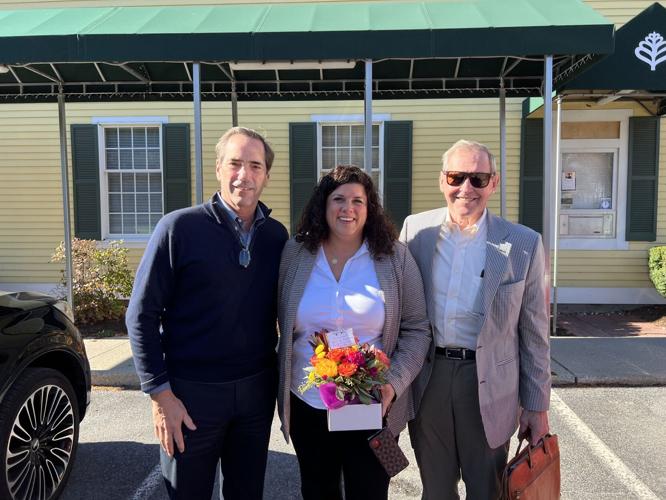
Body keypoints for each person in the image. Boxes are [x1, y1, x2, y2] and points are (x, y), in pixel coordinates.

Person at [125, 127, 288, 500]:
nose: (244, 175)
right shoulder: (179, 228)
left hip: (256, 393)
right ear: (218, 168)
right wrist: (161, 396)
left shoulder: (277, 237)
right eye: (234, 163)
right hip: (190, 395)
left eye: (255, 166)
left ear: (266, 175)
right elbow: (141, 315)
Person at [400, 140, 551, 500]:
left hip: (490, 384)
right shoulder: (415, 232)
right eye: (456, 177)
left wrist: (537, 406)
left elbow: (534, 334)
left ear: (493, 183)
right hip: (429, 377)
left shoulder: (524, 243)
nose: (466, 188)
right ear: (442, 180)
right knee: (436, 490)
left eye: (478, 178)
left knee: (487, 490)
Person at [277, 165, 431, 500]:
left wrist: (392, 385)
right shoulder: (295, 253)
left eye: (357, 201)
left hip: (372, 405)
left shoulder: (395, 257)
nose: (348, 208)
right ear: (323, 205)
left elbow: (417, 330)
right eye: (338, 199)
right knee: (317, 492)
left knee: (370, 492)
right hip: (307, 403)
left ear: (369, 207)